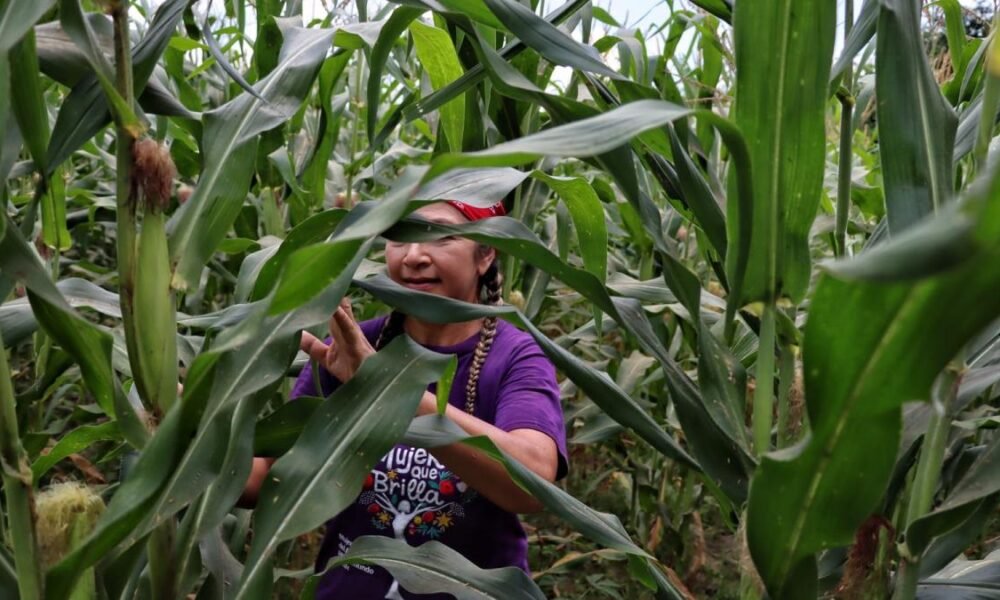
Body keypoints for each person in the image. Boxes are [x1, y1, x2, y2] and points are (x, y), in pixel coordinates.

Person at [243, 199, 568, 599]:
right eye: (400, 235)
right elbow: (272, 477)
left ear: (485, 254)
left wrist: (390, 387)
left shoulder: (514, 357)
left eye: (436, 235)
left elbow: (533, 481)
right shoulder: (348, 348)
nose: (413, 256)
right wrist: (180, 434)